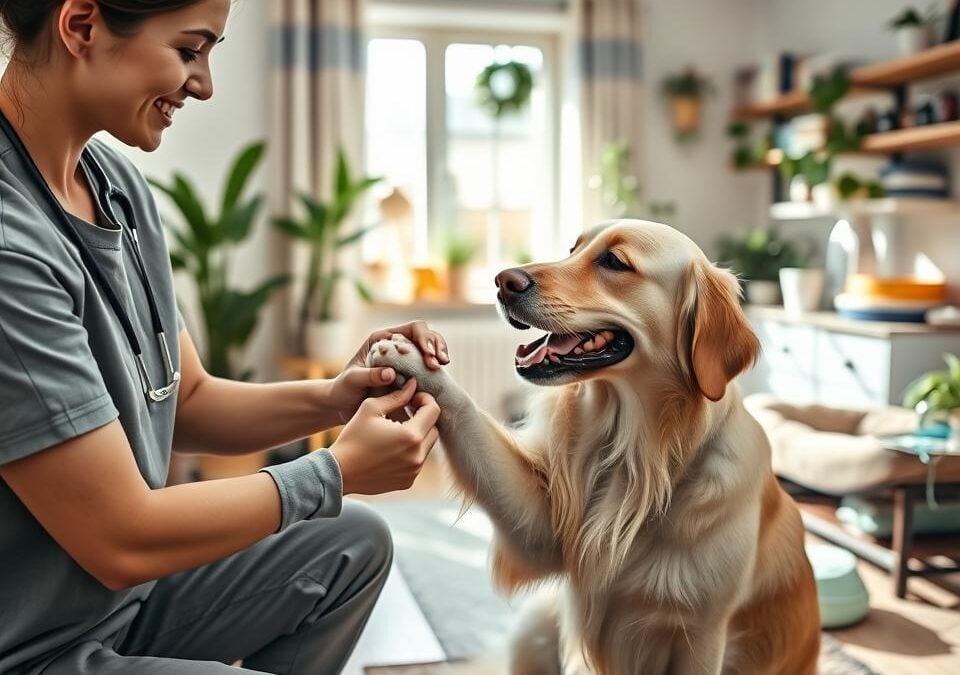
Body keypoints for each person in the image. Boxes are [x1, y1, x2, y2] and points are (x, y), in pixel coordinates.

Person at [0, 1, 448, 673]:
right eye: (189, 50)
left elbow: (189, 398)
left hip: (125, 603)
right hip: (35, 648)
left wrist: (336, 398)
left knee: (351, 544)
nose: (204, 83)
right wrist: (334, 470)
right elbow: (119, 537)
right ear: (82, 25)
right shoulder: (11, 245)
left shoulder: (117, 189)